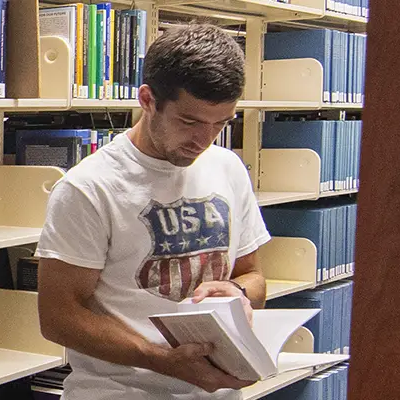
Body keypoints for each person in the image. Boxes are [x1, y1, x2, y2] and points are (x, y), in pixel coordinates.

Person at [36, 24, 271, 399]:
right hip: (120, 392)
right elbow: (59, 318)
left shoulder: (227, 168)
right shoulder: (89, 188)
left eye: (221, 124)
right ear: (147, 100)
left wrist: (237, 291)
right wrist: (161, 359)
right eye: (189, 121)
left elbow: (253, 275)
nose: (204, 140)